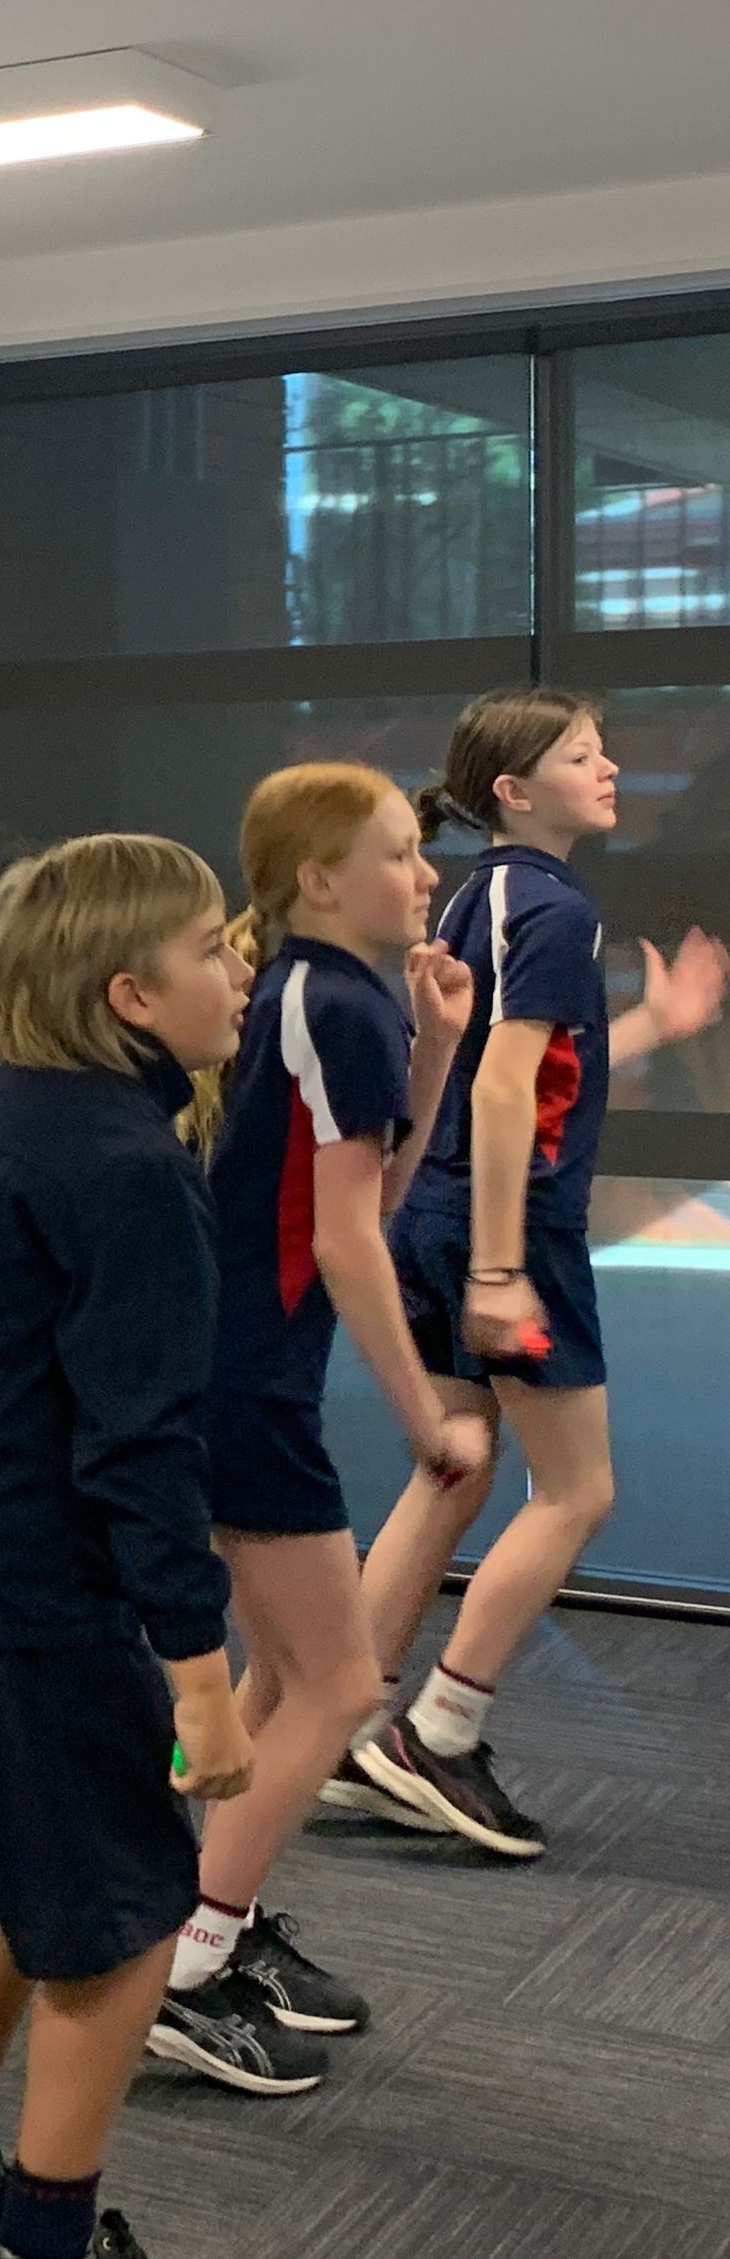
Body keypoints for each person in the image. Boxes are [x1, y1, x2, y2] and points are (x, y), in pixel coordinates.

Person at [0, 835, 253, 2259]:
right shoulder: (128, 1167)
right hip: (33, 1602)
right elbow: (143, 1446)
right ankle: (47, 2238)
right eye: (209, 947)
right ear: (129, 995)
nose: (238, 967)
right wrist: (200, 1679)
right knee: (123, 1926)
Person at [148, 766, 490, 2098]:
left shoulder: (320, 993)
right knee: (341, 1689)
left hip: (235, 1371)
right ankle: (185, 1961)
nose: (425, 875)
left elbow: (369, 1195)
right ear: (319, 880)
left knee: (284, 1681)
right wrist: (427, 1416)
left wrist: (439, 1047)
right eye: (399, 854)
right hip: (247, 1386)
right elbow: (352, 1240)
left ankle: (174, 1907)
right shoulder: (333, 1002)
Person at [339, 691, 726, 1856]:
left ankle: (338, 1725)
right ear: (513, 789)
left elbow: (522, 1063)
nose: (608, 769)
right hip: (504, 1227)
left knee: (450, 1470)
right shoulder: (553, 907)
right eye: (581, 754)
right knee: (577, 1491)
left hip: (441, 1212)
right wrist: (503, 1268)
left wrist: (653, 1027)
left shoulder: (487, 893)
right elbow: (505, 1088)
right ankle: (436, 1735)